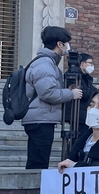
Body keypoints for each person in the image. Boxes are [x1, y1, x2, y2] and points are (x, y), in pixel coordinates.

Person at [22, 26, 83, 170]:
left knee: (39, 160)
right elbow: (47, 93)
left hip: (41, 117)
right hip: (40, 120)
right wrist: (71, 94)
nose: (68, 47)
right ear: (59, 44)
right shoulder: (45, 64)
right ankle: (34, 190)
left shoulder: (47, 63)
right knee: (38, 163)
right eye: (66, 43)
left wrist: (65, 91)